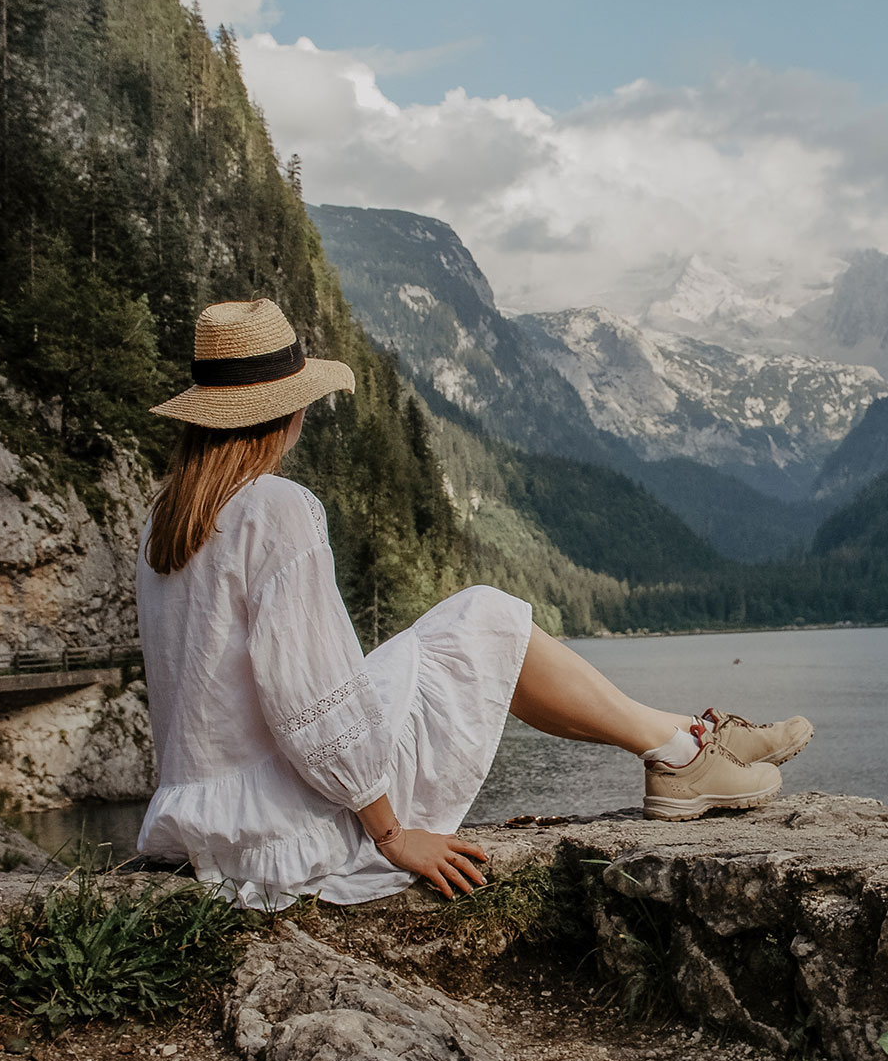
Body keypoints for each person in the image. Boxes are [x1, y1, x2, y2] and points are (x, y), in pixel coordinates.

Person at [135, 300, 813, 909]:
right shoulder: (276, 508)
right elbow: (309, 701)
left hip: (207, 812)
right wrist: (393, 834)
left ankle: (686, 740)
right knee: (488, 615)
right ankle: (685, 751)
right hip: (285, 824)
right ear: (290, 408)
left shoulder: (166, 516)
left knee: (466, 622)